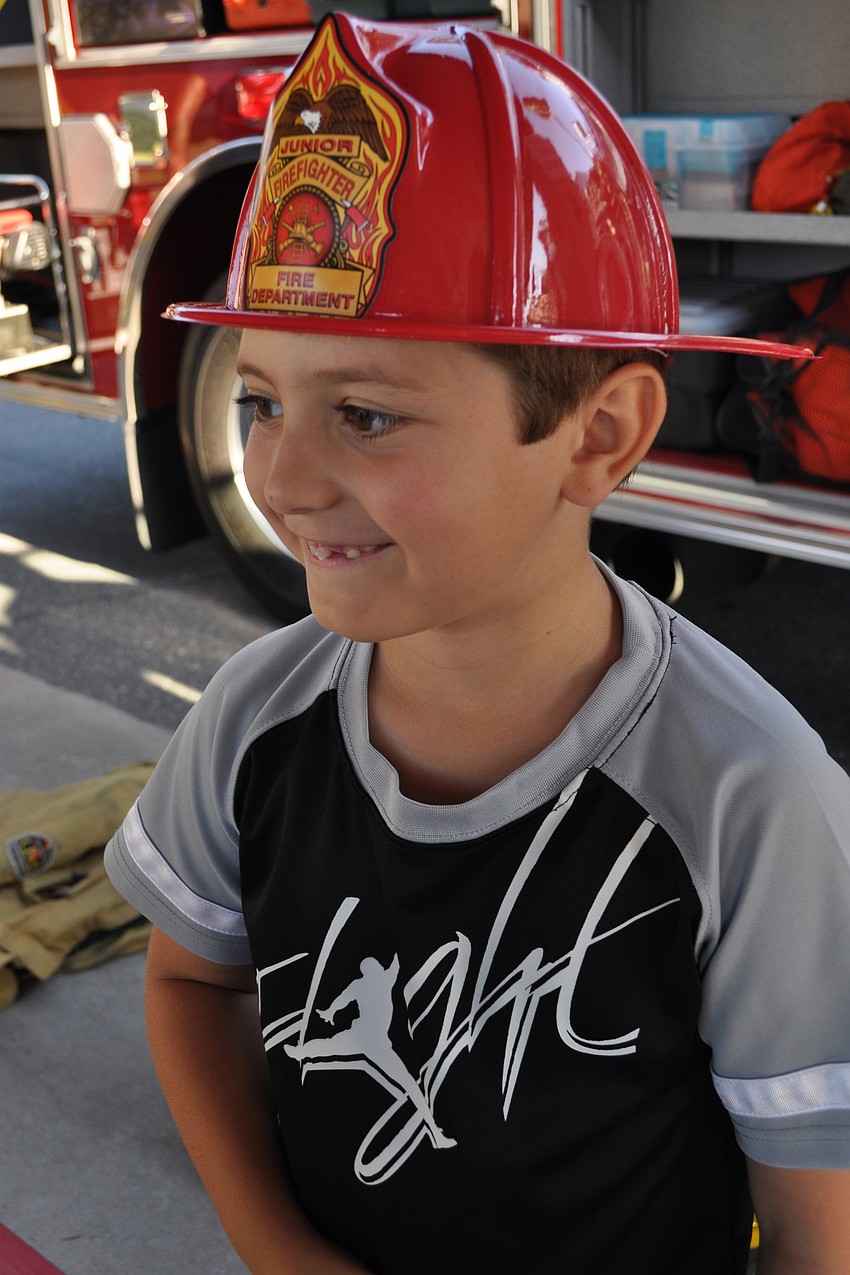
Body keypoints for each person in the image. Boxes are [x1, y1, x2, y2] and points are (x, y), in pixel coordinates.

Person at [105, 13, 850, 1274]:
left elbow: (817, 1235)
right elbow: (190, 986)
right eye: (260, 400)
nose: (278, 476)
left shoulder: (749, 801)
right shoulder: (250, 720)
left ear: (599, 437)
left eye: (365, 415)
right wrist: (280, 1250)